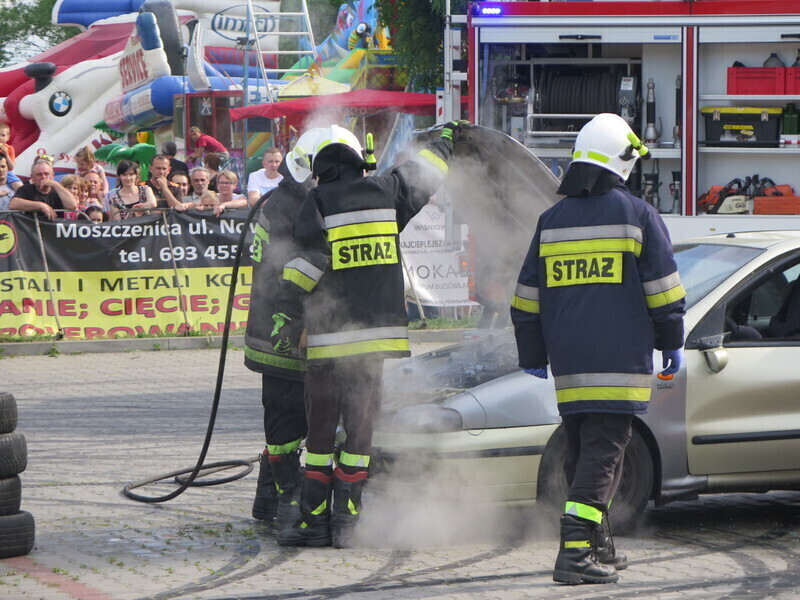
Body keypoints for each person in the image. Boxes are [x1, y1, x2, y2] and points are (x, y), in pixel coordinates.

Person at [510, 113, 686, 585]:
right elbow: (664, 292)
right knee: (604, 458)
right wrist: (672, 341)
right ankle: (573, 555)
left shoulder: (551, 221)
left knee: (580, 455)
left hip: (568, 367)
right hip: (618, 365)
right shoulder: (638, 215)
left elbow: (526, 298)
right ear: (621, 161)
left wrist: (532, 354)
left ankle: (598, 545)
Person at [276, 122, 462, 548]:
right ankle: (348, 522)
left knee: (321, 431)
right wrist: (447, 141)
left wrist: (286, 319)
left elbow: (306, 267)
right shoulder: (387, 191)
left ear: (322, 171)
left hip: (329, 341)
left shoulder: (319, 200)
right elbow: (425, 171)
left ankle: (314, 521)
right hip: (376, 341)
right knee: (361, 432)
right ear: (359, 163)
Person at [244, 149, 318, 526]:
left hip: (265, 326)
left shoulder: (277, 199)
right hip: (286, 329)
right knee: (291, 418)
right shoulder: (296, 208)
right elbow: (298, 272)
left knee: (279, 417)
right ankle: (290, 498)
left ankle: (266, 500)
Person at [10, 156, 77, 219]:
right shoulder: (26, 189)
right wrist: (41, 206)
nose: (43, 177)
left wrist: (56, 184)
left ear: (52, 175)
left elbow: (72, 205)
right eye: (39, 174)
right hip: (32, 229)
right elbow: (13, 204)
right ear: (32, 177)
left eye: (46, 174)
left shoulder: (58, 190)